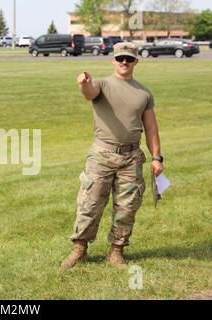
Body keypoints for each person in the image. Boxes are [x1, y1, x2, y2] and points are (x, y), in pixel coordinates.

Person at [60, 42, 164, 269]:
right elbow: (90, 93)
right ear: (113, 60)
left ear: (136, 61)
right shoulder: (103, 84)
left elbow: (151, 128)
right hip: (102, 155)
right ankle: (79, 249)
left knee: (127, 207)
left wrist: (157, 157)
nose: (124, 62)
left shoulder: (144, 93)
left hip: (131, 157)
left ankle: (116, 251)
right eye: (120, 58)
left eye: (128, 58)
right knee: (90, 203)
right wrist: (84, 84)